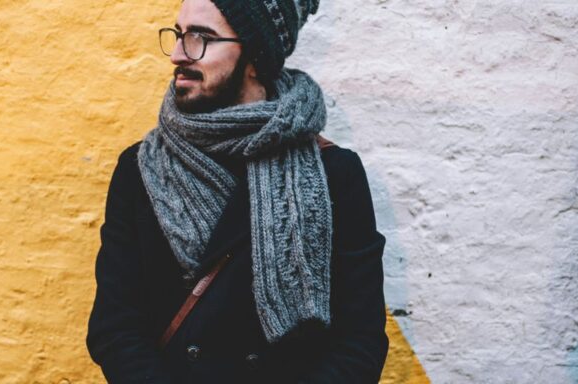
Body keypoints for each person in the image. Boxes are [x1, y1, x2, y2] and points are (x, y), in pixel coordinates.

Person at [85, 0, 389, 382]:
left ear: (254, 55)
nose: (178, 54)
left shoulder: (335, 175)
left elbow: (359, 341)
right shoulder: (140, 170)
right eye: (179, 35)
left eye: (201, 38)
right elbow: (115, 328)